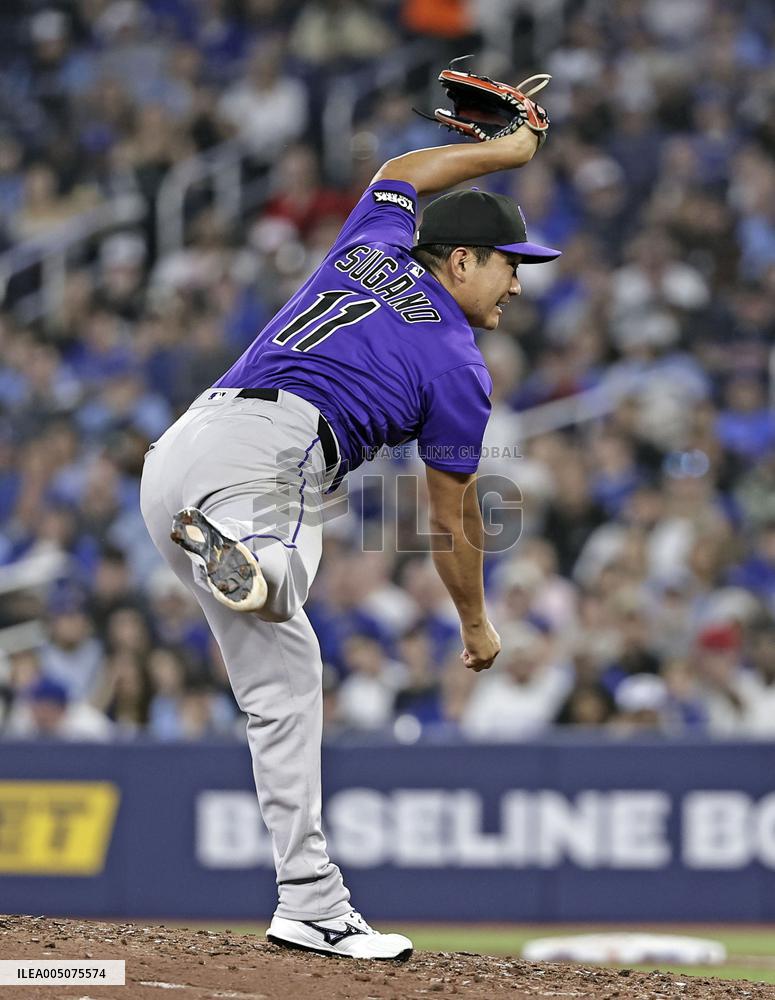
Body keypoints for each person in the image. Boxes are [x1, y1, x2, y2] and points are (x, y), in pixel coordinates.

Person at [140, 120, 561, 959]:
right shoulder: (457, 363)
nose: (518, 284)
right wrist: (474, 625)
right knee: (286, 571)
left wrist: (503, 153)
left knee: (287, 684)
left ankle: (309, 901)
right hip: (273, 454)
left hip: (179, 456)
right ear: (462, 260)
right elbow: (451, 519)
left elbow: (402, 169)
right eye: (512, 264)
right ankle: (256, 560)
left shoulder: (368, 244)